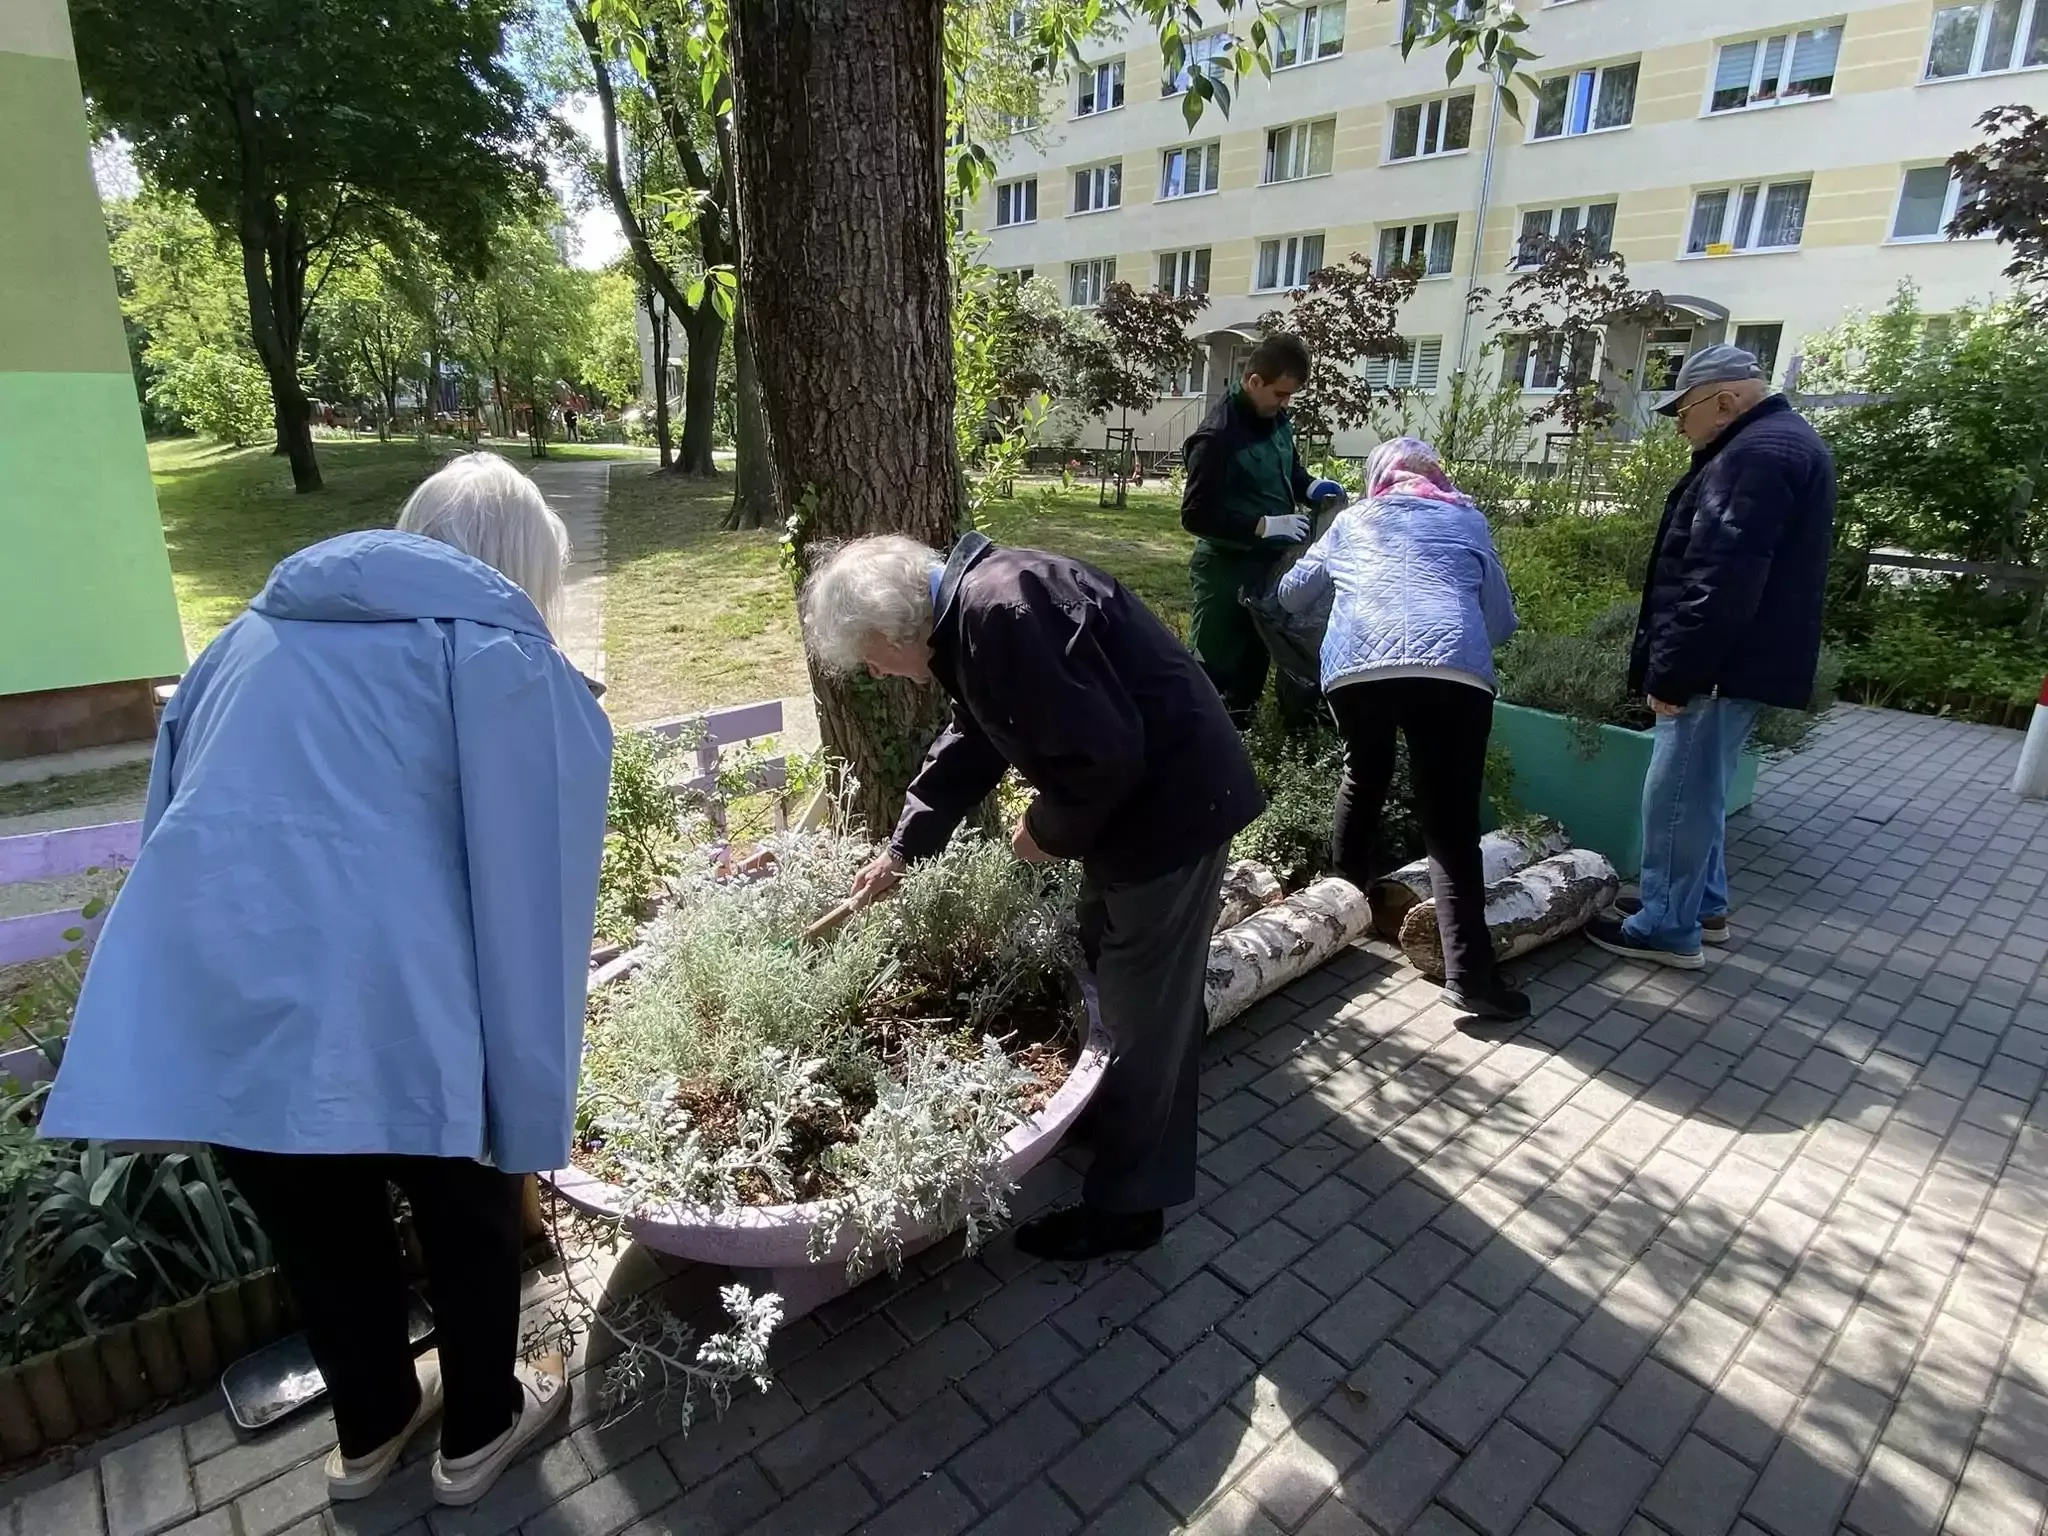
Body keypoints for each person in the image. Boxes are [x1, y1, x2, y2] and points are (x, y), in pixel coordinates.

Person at [40, 454, 613, 1508]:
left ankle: (372, 1433)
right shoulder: (499, 658)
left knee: (319, 1233)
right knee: (466, 1216)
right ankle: (478, 1436)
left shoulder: (239, 645)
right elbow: (538, 878)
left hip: (237, 1004)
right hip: (413, 1009)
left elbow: (174, 818)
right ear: (525, 565)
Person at [800, 532, 1264, 1262]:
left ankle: (1129, 1209)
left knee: (1146, 1015)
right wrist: (904, 848)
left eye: (873, 659)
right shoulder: (978, 615)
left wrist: (1045, 832)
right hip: (1143, 815)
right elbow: (975, 738)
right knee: (1107, 964)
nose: (884, 674)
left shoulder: (999, 614)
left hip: (1174, 817)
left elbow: (1105, 756)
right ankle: (1114, 1114)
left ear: (892, 631)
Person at [1587, 344, 1836, 969]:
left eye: (1683, 411)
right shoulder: (1781, 442)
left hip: (1718, 668)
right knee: (1702, 789)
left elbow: (1721, 577)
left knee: (1676, 794)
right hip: (1740, 661)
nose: (1678, 425)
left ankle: (1666, 928)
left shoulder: (1755, 455)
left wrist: (1676, 671)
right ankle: (1704, 906)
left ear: (1725, 402)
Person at [1278, 437, 1527, 1020]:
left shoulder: (1351, 521)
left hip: (1358, 672)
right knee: (1450, 822)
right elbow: (1502, 619)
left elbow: (1290, 597)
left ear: (1377, 477)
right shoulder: (1466, 520)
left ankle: (1345, 909)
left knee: (1363, 776)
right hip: (1454, 674)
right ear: (1435, 475)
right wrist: (1451, 649)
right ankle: (1471, 977)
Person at [1180, 333, 1345, 727]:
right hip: (1225, 573)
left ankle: (1244, 741)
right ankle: (1200, 747)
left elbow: (1288, 469)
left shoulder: (1275, 419)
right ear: (1254, 381)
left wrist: (1309, 486)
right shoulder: (1217, 437)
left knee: (1256, 658)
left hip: (1268, 568)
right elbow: (1195, 515)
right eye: (1280, 394)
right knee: (1217, 667)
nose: (1285, 404)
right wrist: (1262, 526)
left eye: (1290, 396)